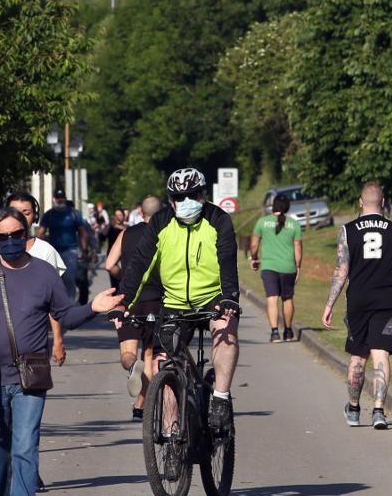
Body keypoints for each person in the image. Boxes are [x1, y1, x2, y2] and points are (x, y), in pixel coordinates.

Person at [0, 208, 123, 496]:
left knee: (25, 446)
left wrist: (93, 308)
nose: (10, 241)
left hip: (30, 374)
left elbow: (65, 315)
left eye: (16, 234)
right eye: (2, 237)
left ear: (28, 234)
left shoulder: (43, 273)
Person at [117, 168, 241, 432]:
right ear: (170, 199)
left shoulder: (218, 220)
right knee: (166, 364)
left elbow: (227, 260)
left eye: (192, 196)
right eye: (178, 197)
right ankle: (171, 435)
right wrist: (123, 302)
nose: (185, 203)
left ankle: (220, 398)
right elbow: (140, 264)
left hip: (213, 296)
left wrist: (229, 297)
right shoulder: (161, 222)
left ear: (203, 195)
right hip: (174, 301)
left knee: (226, 332)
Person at [322, 182, 392, 430]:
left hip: (358, 301)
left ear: (360, 202)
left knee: (358, 356)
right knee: (381, 355)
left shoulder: (347, 230)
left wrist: (329, 303)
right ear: (384, 202)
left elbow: (341, 270)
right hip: (386, 302)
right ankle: (378, 410)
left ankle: (354, 410)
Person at [0, 192, 68, 364]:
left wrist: (58, 340)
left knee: (31, 384)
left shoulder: (45, 251)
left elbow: (54, 305)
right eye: (13, 211)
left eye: (26, 213)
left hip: (33, 345)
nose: (19, 217)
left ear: (35, 216)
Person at [105, 196, 164, 419]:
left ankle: (132, 367)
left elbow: (109, 265)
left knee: (128, 353)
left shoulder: (126, 233)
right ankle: (141, 404)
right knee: (150, 353)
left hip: (129, 299)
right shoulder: (165, 233)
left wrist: (124, 278)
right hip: (156, 299)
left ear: (141, 212)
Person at [251, 194, 304, 343]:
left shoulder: (262, 222)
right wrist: (298, 266)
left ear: (273, 206)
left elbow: (254, 244)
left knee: (272, 298)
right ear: (287, 207)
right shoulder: (294, 224)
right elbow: (298, 247)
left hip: (269, 267)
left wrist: (254, 258)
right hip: (288, 267)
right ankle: (288, 331)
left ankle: (275, 333)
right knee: (287, 298)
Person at [39, 189, 89, 300]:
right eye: (58, 197)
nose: (60, 200)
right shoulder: (49, 214)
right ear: (54, 199)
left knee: (69, 280)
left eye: (62, 197)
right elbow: (40, 233)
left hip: (70, 252)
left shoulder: (73, 213)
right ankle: (57, 306)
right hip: (53, 252)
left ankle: (69, 306)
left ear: (65, 199)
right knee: (54, 281)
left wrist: (84, 250)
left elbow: (83, 233)